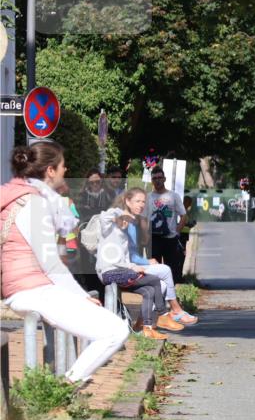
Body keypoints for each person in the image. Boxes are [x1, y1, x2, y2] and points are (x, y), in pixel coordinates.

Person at [0, 141, 129, 388]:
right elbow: (51, 265)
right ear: (50, 171)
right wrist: (80, 296)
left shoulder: (23, 198)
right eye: (61, 166)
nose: (66, 169)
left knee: (108, 329)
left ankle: (65, 386)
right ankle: (65, 388)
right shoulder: (34, 204)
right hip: (31, 290)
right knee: (115, 331)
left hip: (29, 287)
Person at [95, 189, 184, 340]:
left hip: (122, 270)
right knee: (155, 280)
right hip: (109, 271)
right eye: (138, 201)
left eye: (143, 201)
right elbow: (104, 217)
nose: (141, 204)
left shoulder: (126, 230)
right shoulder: (111, 222)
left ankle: (147, 328)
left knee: (150, 290)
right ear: (127, 202)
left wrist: (132, 266)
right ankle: (163, 315)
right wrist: (119, 215)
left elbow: (124, 258)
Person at [145, 166, 187, 284]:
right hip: (153, 239)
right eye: (155, 178)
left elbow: (184, 215)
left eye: (160, 177)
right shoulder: (148, 197)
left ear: (164, 179)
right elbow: (142, 218)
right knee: (154, 271)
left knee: (171, 269)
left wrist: (177, 231)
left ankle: (170, 295)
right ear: (151, 181)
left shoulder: (173, 196)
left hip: (170, 239)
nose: (157, 180)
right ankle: (157, 296)